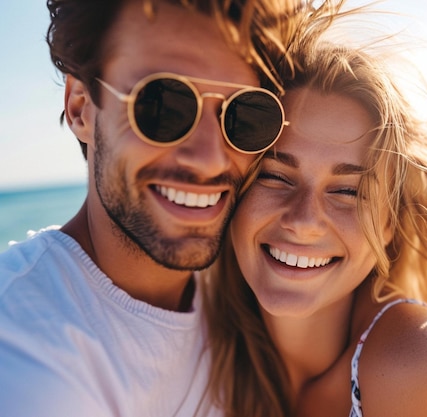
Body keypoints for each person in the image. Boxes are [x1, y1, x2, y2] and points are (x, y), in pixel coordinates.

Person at [0, 0, 344, 416]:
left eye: (244, 114)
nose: (211, 159)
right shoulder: (26, 353)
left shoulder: (251, 289)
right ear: (80, 108)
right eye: (162, 105)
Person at [204, 39, 427, 416]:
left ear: (391, 224)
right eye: (275, 176)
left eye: (347, 191)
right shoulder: (209, 340)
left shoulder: (407, 361)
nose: (304, 221)